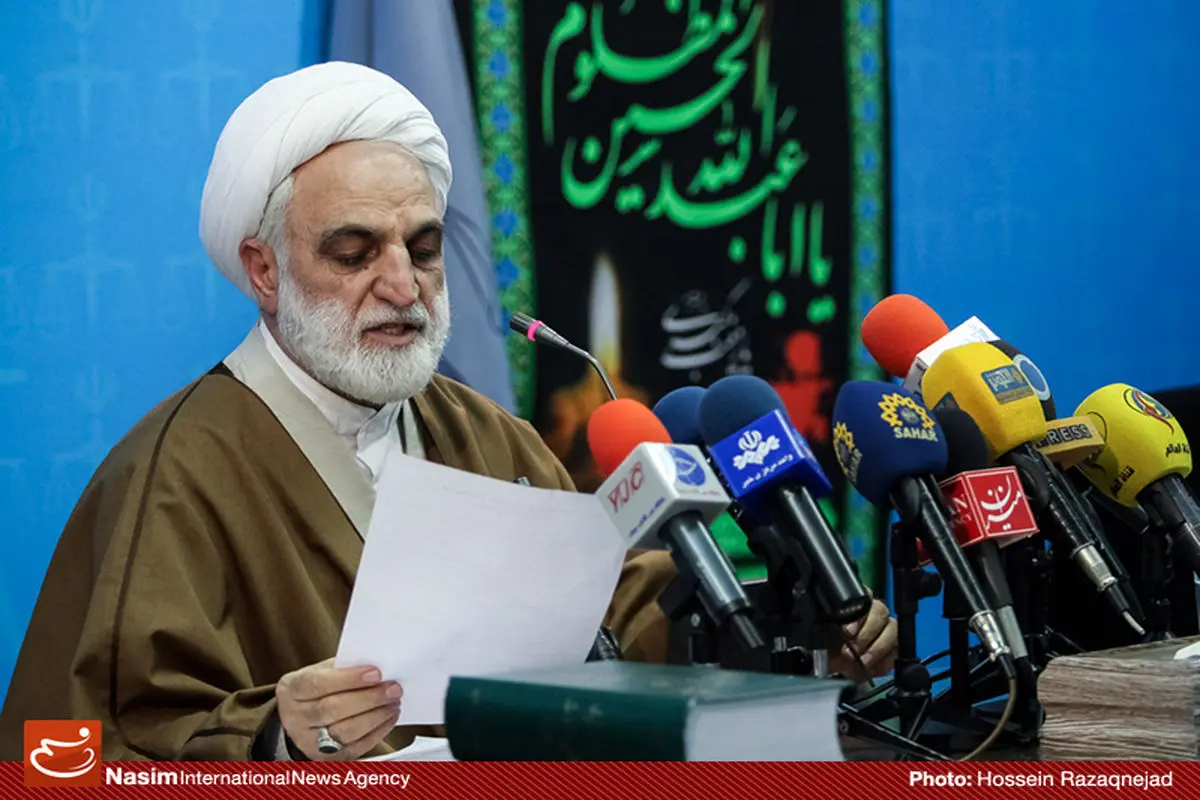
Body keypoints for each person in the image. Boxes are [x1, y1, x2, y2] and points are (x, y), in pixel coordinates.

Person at [0, 62, 896, 762]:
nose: (403, 286)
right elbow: (82, 747)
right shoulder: (175, 473)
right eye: (354, 252)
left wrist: (795, 630)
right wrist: (276, 734)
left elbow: (618, 622)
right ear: (264, 271)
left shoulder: (486, 435)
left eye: (423, 249)